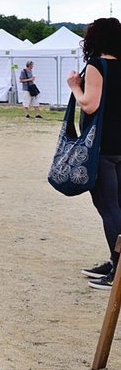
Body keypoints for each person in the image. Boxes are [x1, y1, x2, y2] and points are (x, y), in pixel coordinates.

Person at [68, 18, 121, 290]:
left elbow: (90, 105)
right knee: (117, 205)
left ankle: (118, 270)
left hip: (102, 146)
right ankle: (115, 262)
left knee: (108, 208)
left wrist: (75, 86)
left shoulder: (97, 65)